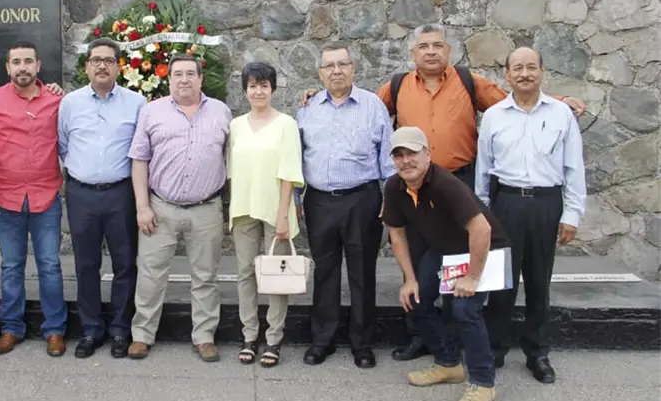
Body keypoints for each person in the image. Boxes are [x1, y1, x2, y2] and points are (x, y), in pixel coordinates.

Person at [300, 23, 585, 361]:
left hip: (459, 186)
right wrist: (312, 96)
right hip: (416, 192)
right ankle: (420, 335)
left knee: (459, 265)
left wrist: (559, 101)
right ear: (413, 54)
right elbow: (350, 101)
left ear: (448, 51)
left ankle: (456, 338)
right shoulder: (395, 88)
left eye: (438, 45)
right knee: (420, 267)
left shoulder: (469, 83)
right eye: (424, 46)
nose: (431, 51)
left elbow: (519, 98)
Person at [382, 126, 511, 401]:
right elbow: (397, 234)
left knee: (465, 309)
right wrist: (410, 279)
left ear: (427, 154)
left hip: (484, 249)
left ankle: (483, 383)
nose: (406, 160)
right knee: (414, 299)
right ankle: (449, 363)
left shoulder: (445, 184)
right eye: (399, 155)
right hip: (446, 250)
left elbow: (482, 229)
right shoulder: (394, 187)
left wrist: (473, 278)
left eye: (412, 153)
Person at [476, 47, 587, 383]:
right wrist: (482, 212)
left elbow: (574, 167)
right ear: (507, 75)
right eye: (517, 68)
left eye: (531, 67)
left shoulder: (561, 115)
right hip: (506, 203)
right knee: (501, 283)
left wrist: (572, 214)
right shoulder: (494, 115)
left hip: (545, 204)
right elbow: (483, 169)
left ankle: (537, 353)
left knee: (539, 283)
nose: (524, 74)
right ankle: (494, 350)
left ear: (542, 71)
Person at [126, 54, 232, 362]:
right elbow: (139, 160)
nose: (184, 79)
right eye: (178, 74)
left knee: (206, 276)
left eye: (190, 73)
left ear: (201, 78)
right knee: (151, 275)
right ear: (169, 79)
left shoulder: (221, 112)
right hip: (161, 207)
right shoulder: (152, 112)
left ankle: (204, 337)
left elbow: (231, 160)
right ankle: (142, 335)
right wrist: (142, 206)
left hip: (206, 208)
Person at [294, 43, 395, 368]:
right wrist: (296, 200)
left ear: (353, 68)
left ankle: (362, 344)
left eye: (342, 64)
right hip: (320, 200)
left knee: (362, 272)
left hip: (362, 199)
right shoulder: (307, 108)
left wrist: (389, 201)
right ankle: (322, 340)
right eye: (329, 66)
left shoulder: (373, 106)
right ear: (320, 72)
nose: (336, 71)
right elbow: (296, 157)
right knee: (325, 272)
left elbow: (388, 161)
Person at [0, 41, 68, 357]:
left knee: (50, 266)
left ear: (38, 65)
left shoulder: (57, 100)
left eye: (28, 61)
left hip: (46, 196)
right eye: (16, 62)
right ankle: (11, 328)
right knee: (11, 266)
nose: (22, 67)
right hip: (7, 199)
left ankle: (54, 330)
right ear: (7, 68)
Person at [58, 38, 147, 359]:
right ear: (86, 67)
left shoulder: (137, 103)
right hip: (82, 193)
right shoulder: (70, 104)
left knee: (125, 264)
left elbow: (141, 152)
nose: (101, 65)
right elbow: (63, 145)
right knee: (86, 265)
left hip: (121, 193)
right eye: (95, 60)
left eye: (109, 60)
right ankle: (91, 330)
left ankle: (121, 329)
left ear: (119, 66)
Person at [227, 62, 304, 368]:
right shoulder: (235, 125)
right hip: (244, 208)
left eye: (264, 85)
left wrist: (283, 214)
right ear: (245, 90)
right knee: (245, 273)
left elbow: (289, 172)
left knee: (276, 277)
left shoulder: (286, 124)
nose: (258, 91)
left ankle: (274, 338)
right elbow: (232, 172)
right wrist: (231, 211)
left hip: (276, 209)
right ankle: (249, 335)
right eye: (252, 86)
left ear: (273, 89)